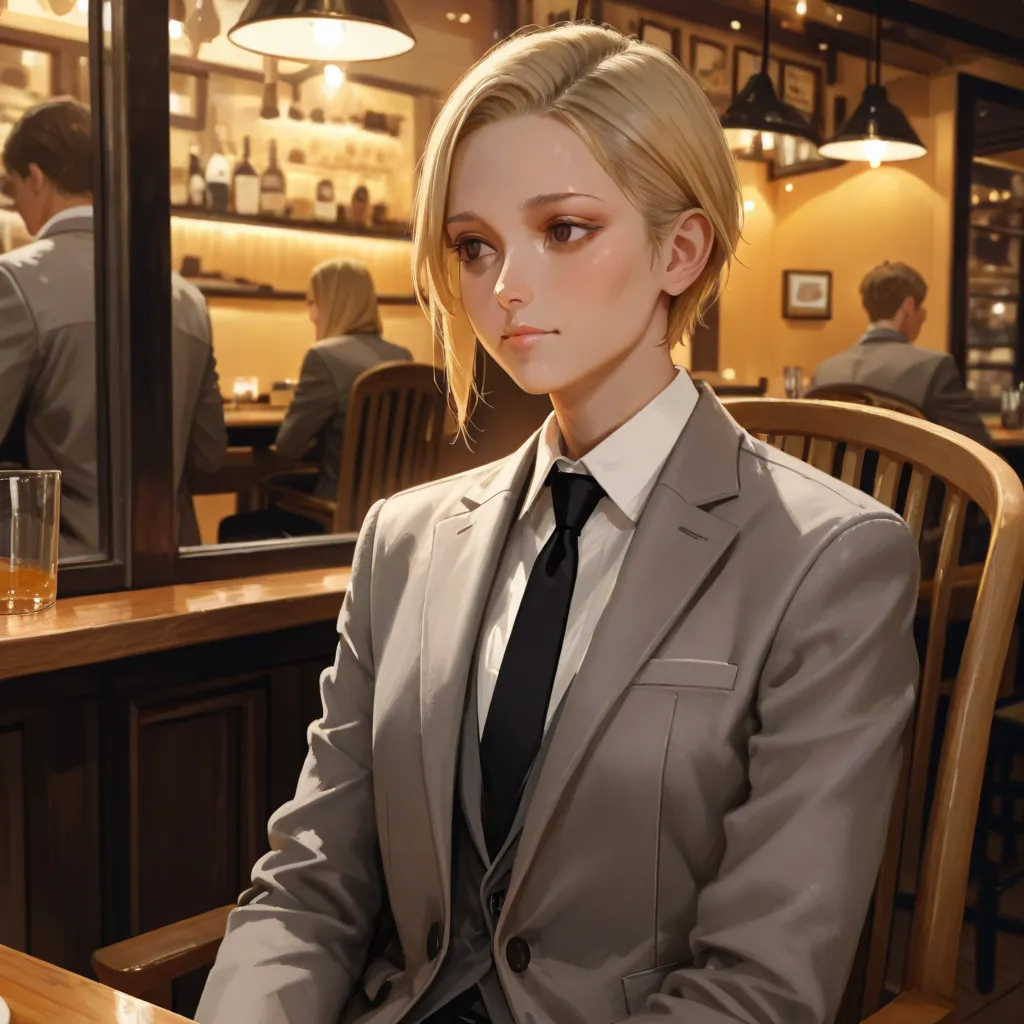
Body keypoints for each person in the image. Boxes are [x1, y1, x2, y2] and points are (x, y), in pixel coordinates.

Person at [196, 23, 919, 1024]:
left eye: (564, 229)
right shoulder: (403, 539)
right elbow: (310, 883)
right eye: (473, 244)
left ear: (681, 246)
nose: (504, 288)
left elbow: (759, 986)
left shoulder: (830, 558)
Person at [0, 97, 226, 553]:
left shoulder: (15, 279)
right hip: (167, 567)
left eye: (15, 188)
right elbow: (208, 458)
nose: (18, 205)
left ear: (37, 177)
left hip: (53, 575)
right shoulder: (189, 298)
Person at [217, 258, 411, 543]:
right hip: (392, 515)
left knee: (239, 520)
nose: (311, 314)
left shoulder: (323, 357)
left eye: (312, 302)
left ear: (331, 304)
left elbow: (287, 447)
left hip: (334, 514)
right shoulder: (402, 357)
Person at [811, 261, 991, 446]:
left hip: (829, 475)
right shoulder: (935, 367)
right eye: (921, 309)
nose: (922, 317)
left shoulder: (825, 372)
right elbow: (979, 451)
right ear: (909, 305)